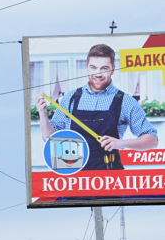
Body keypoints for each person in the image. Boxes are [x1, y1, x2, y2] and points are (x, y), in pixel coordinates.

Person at [34, 43, 158, 171]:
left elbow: (152, 140)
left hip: (110, 178)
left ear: (113, 69)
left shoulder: (125, 101)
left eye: (104, 68)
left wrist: (121, 143)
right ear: (87, 68)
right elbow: (51, 138)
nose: (98, 74)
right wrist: (43, 115)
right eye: (93, 67)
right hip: (76, 178)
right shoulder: (70, 98)